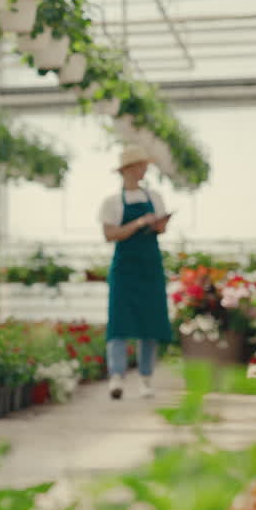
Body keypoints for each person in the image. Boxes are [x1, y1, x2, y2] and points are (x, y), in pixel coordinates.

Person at [99, 145, 173, 400]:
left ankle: (146, 378)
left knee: (149, 324)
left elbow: (162, 230)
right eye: (141, 165)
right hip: (125, 269)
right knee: (119, 322)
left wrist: (158, 224)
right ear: (128, 170)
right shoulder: (111, 202)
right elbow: (110, 234)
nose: (145, 170)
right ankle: (116, 376)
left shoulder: (155, 196)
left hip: (150, 267)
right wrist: (139, 223)